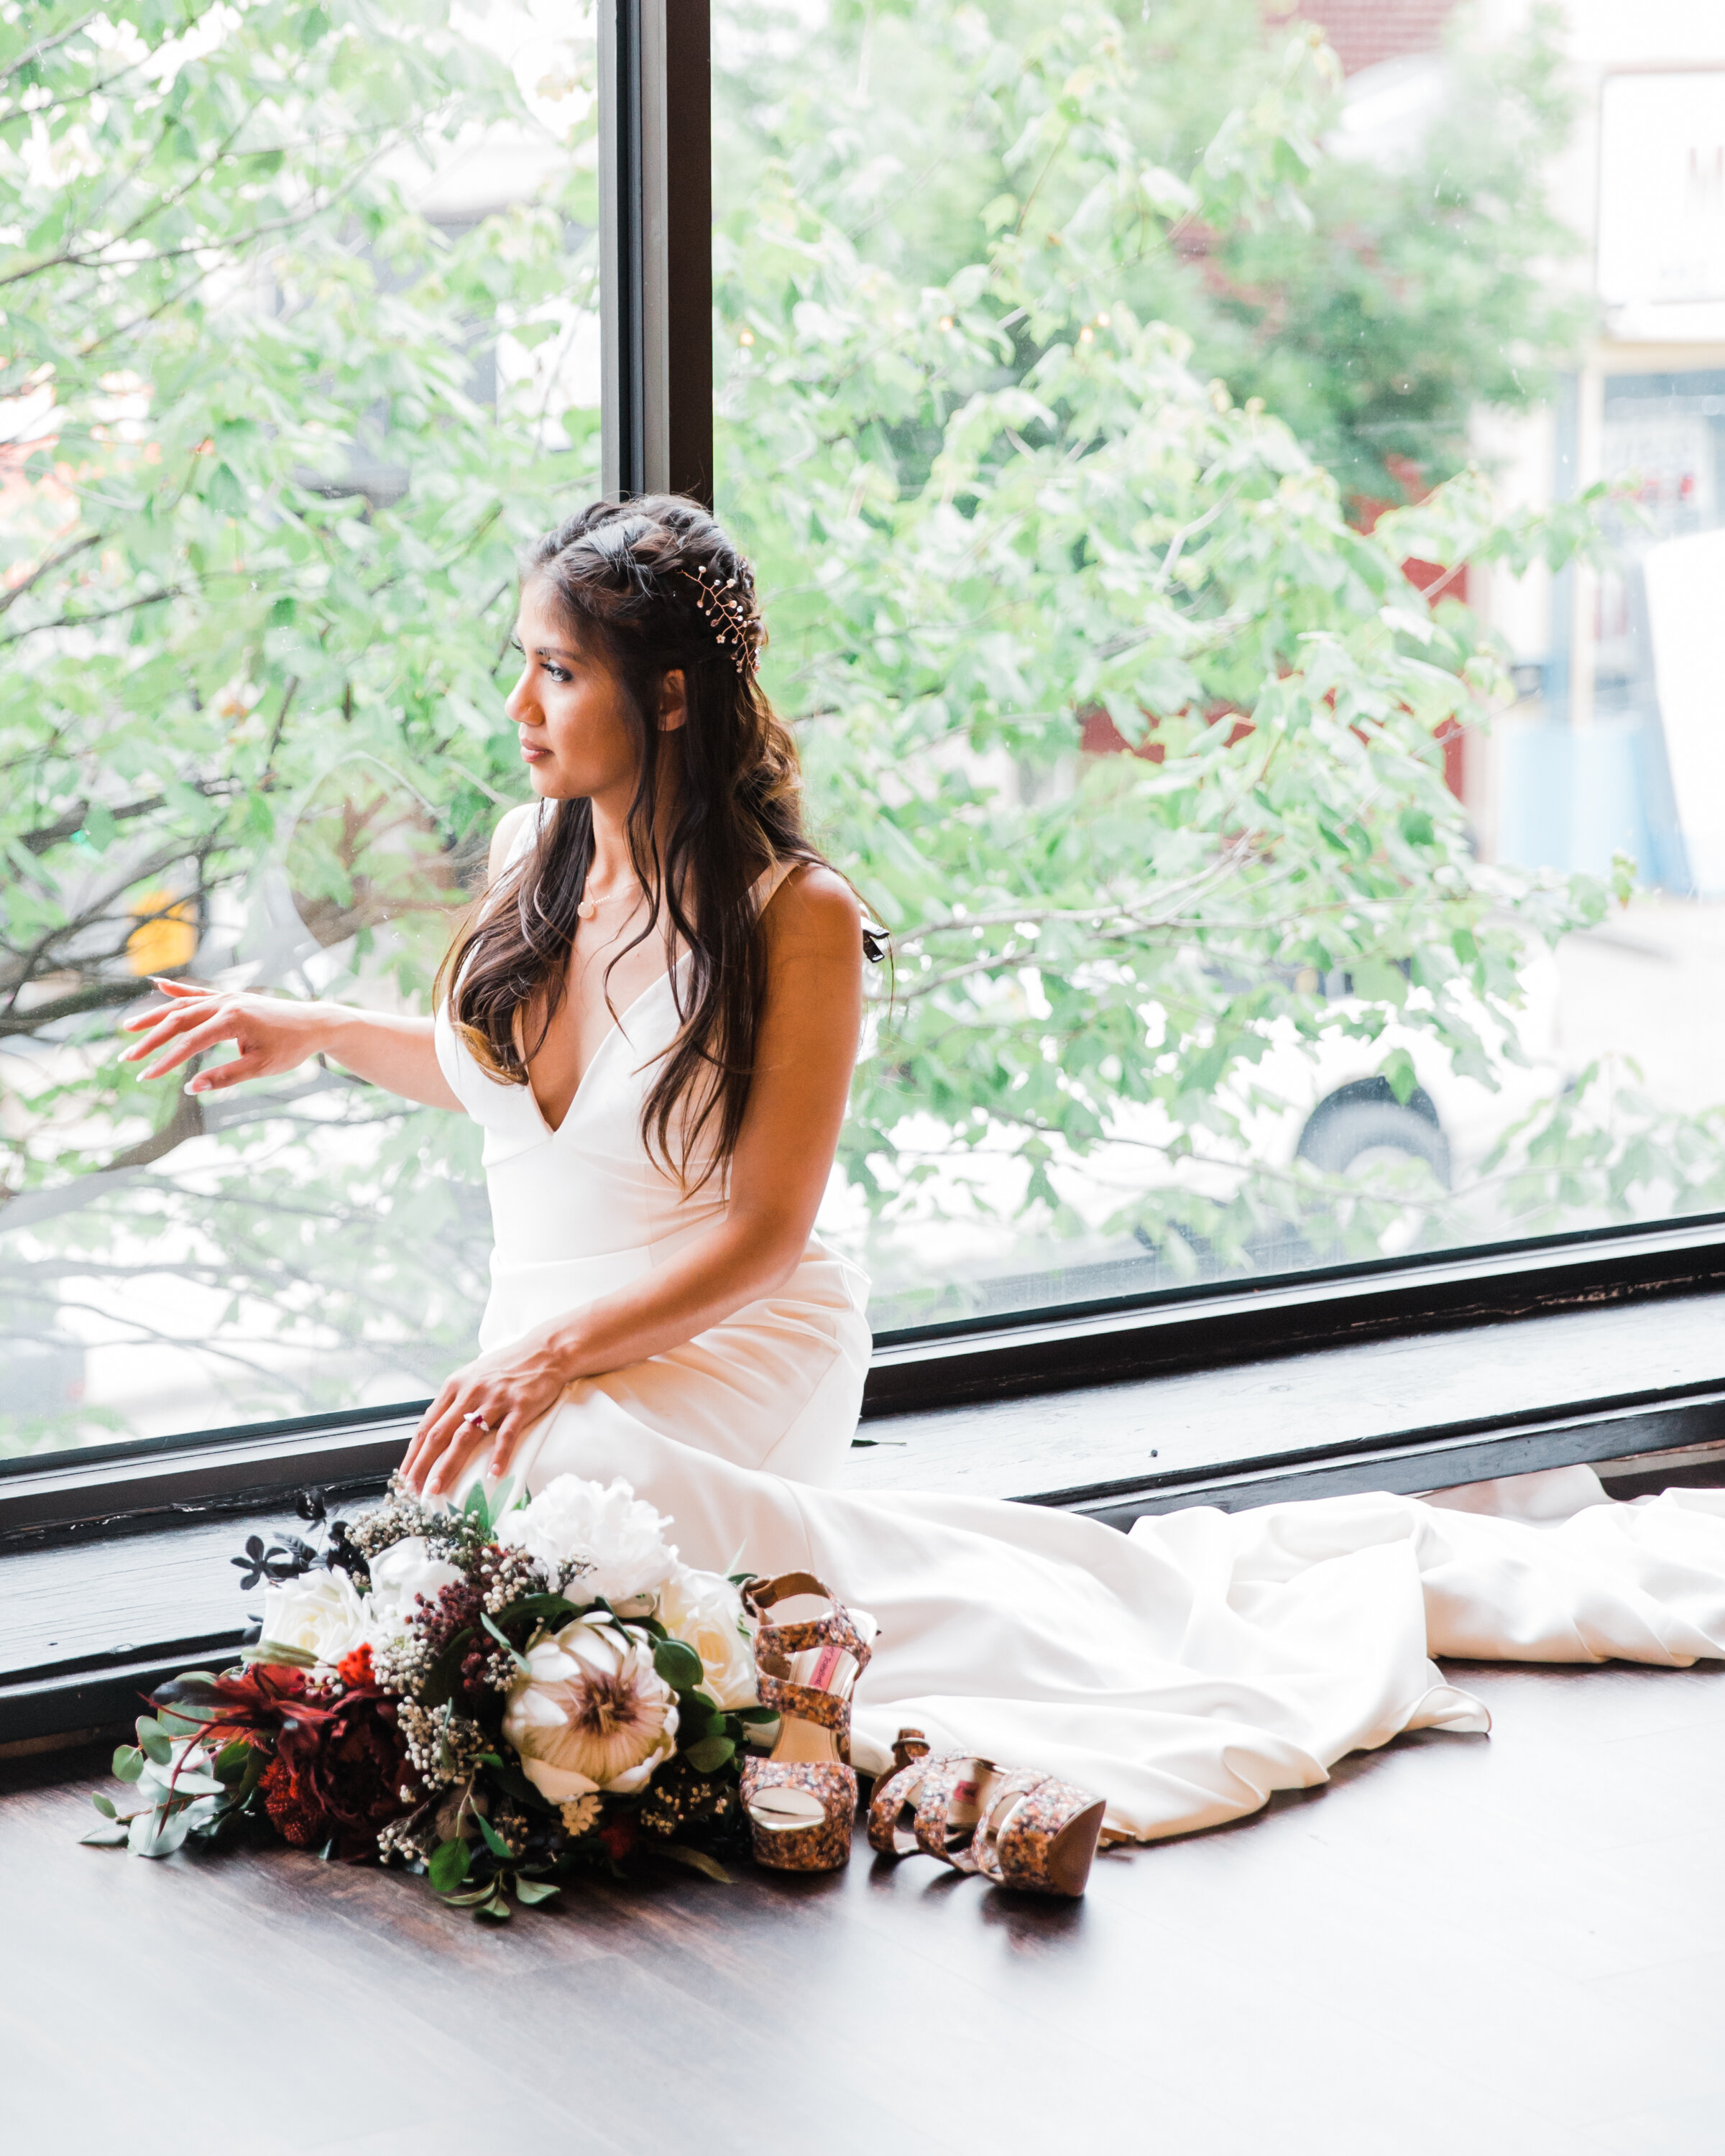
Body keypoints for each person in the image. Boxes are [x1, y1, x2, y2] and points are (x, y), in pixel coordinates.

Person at [121, 495, 1725, 1864]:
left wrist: (552, 1357)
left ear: (669, 697)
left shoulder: (793, 914)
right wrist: (317, 1030)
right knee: (511, 1507)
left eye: (556, 674)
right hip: (545, 1349)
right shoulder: (521, 850)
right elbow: (509, 1092)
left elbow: (763, 1235)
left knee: (552, 1484)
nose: (521, 712)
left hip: (732, 1328)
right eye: (521, 672)